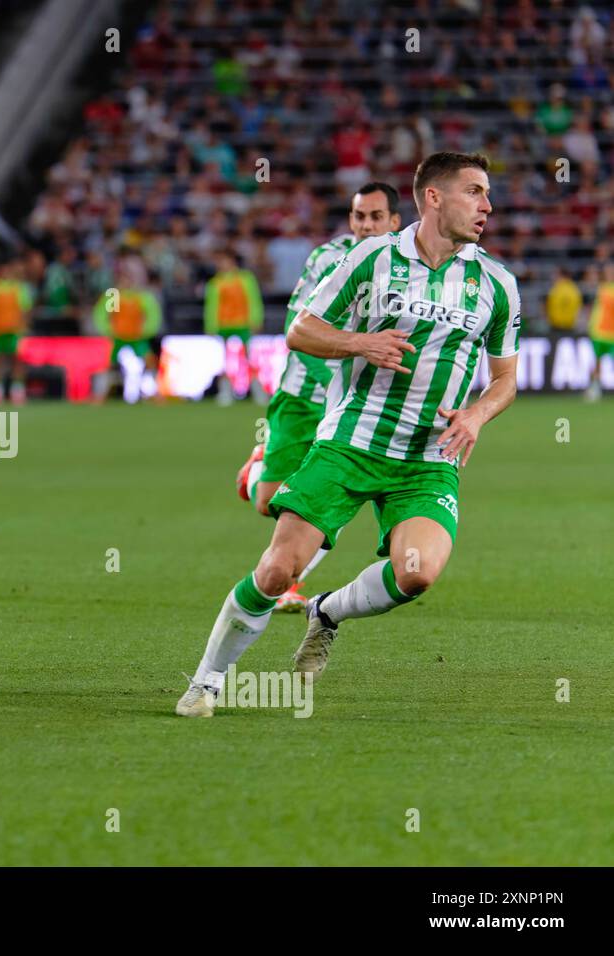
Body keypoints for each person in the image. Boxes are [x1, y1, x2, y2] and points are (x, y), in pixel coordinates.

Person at [178, 152, 521, 717]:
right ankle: (207, 681)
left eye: (487, 194)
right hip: (352, 440)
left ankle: (328, 611)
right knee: (276, 570)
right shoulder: (371, 259)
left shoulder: (497, 283)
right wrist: (361, 343)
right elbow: (301, 329)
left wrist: (478, 415)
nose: (487, 206)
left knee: (418, 574)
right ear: (433, 197)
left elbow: (506, 380)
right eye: (474, 192)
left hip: (430, 454)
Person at [235, 182, 402, 611]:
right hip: (304, 394)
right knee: (268, 502)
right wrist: (337, 373)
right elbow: (299, 324)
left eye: (376, 217)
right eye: (359, 216)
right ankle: (256, 469)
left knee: (328, 497)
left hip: (356, 405)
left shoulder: (407, 267)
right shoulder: (327, 258)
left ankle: (289, 583)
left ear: (394, 221)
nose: (366, 224)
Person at [91, 259, 162, 400]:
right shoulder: (115, 296)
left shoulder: (141, 296)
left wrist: (145, 330)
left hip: (137, 337)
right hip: (118, 337)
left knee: (149, 362)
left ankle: (153, 392)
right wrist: (109, 330)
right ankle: (100, 394)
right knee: (107, 365)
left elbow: (152, 315)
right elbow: (103, 316)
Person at [203, 250, 263, 405]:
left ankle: (257, 391)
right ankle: (225, 392)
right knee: (223, 360)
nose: (223, 264)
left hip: (242, 323)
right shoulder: (215, 283)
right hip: (224, 325)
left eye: (226, 261)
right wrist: (211, 325)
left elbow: (253, 299)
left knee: (249, 358)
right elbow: (212, 306)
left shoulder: (246, 279)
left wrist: (255, 319)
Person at [0, 258, 34, 405]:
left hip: (15, 330)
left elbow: (25, 309)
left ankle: (17, 392)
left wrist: (25, 327)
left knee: (18, 362)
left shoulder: (20, 288)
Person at [586, 262, 614, 401]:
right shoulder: (600, 288)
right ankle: (594, 387)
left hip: (612, 334)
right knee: (597, 362)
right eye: (608, 272)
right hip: (599, 332)